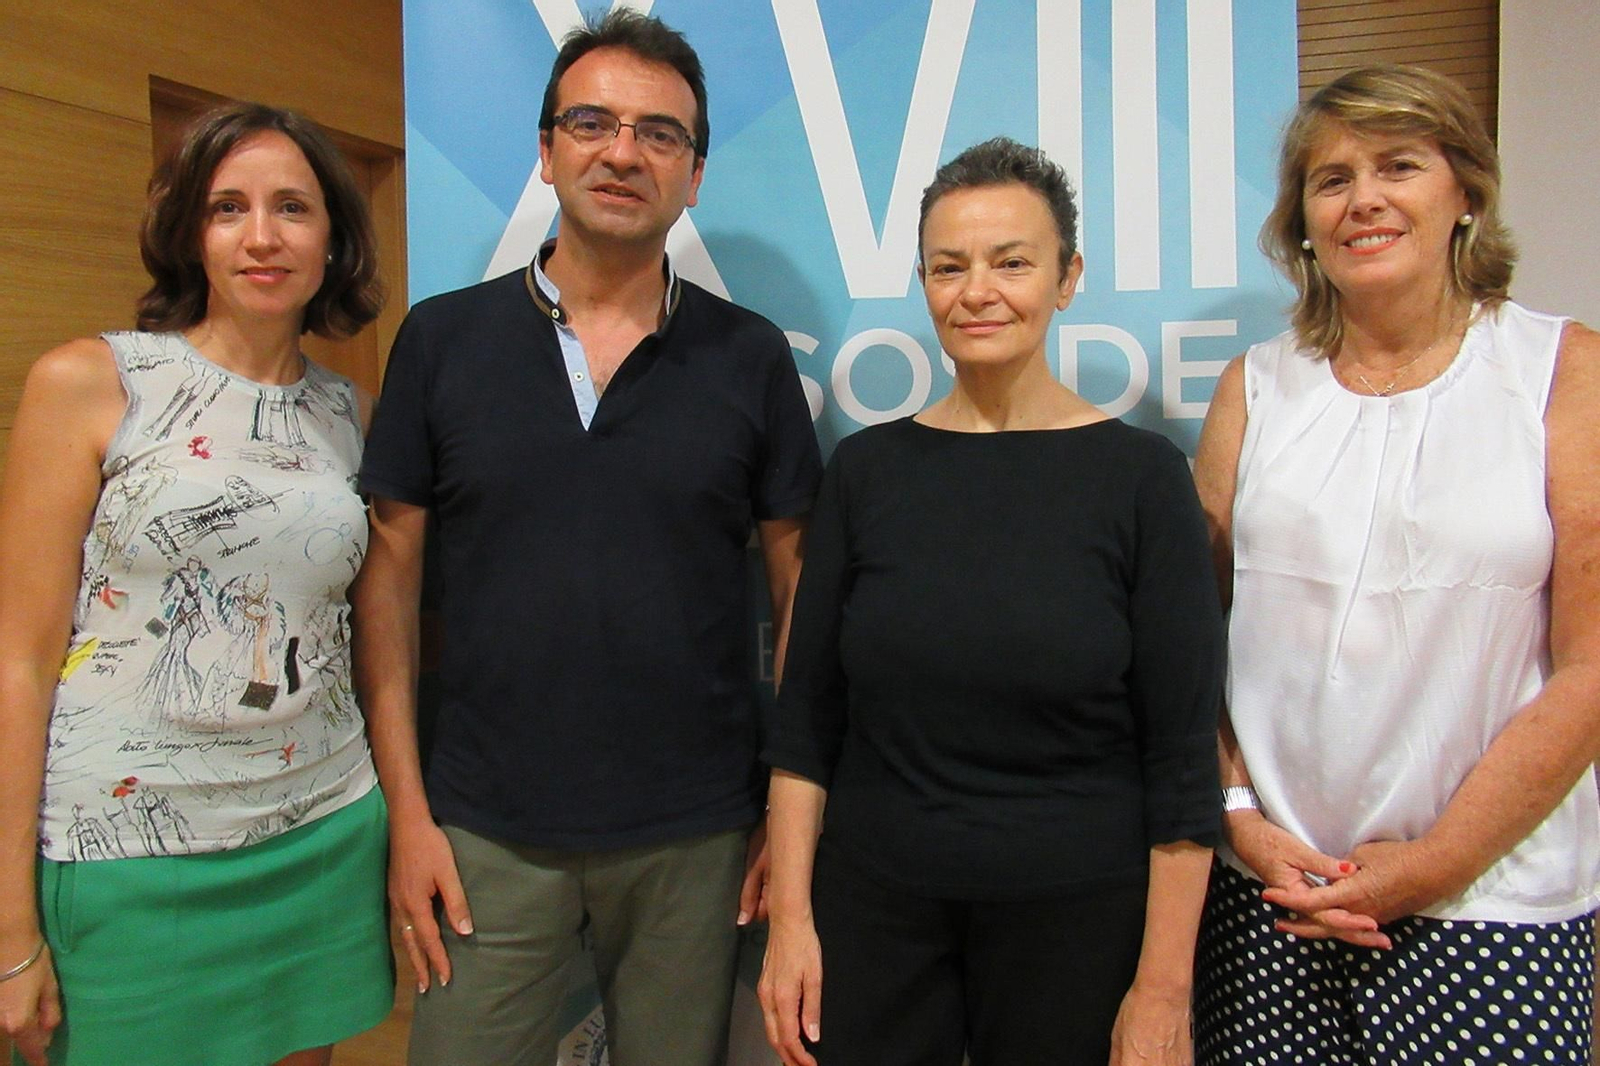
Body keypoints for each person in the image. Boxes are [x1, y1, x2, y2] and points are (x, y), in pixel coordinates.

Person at [354, 10, 822, 1066]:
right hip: (481, 831)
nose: (623, 151)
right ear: (546, 149)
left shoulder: (747, 358)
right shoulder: (441, 339)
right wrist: (410, 815)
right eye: (593, 122)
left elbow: (803, 596)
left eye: (660, 134)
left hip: (695, 838)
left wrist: (779, 823)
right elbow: (386, 588)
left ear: (693, 175)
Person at [757, 137, 1226, 1066]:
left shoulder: (1142, 481)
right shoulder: (867, 471)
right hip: (875, 913)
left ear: (1068, 277)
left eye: (1013, 262)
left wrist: (1164, 989)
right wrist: (791, 926)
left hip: (1080, 921)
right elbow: (806, 724)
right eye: (949, 265)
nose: (979, 291)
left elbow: (1182, 760)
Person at [1191, 64, 1600, 1065]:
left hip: (1492, 903)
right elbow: (1182, 643)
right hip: (1270, 897)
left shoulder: (1563, 370)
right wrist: (1238, 816)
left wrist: (1439, 861)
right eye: (1329, 180)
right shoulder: (1256, 386)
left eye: (1397, 166)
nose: (1362, 198)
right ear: (1301, 220)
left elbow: (1590, 665)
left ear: (1464, 192)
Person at [0, 102, 390, 1066]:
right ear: (190, 232)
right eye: (229, 209)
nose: (263, 237)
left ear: (333, 238)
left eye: (293, 208)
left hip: (321, 833)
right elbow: (18, 659)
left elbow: (368, 636)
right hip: (124, 850)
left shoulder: (358, 416)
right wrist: (9, 928)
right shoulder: (90, 383)